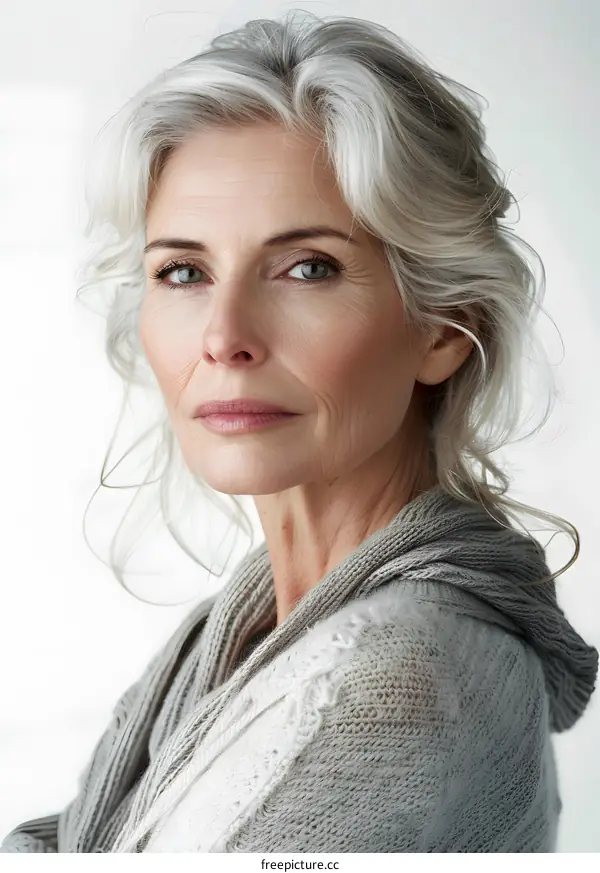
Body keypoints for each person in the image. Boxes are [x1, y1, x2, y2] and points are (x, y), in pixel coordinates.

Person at [1, 10, 597, 853]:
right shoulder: (254, 632)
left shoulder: (393, 675)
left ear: (440, 326)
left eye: (307, 267)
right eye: (184, 271)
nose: (224, 334)